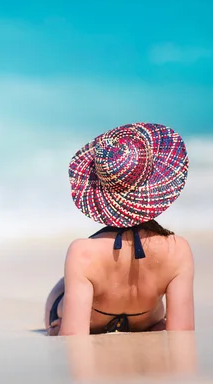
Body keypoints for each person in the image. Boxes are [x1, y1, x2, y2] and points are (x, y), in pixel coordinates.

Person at [45, 122, 195, 336]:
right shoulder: (178, 249)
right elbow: (183, 335)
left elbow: (72, 339)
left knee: (65, 285)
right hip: (146, 322)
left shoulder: (83, 252)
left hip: (91, 320)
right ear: (154, 188)